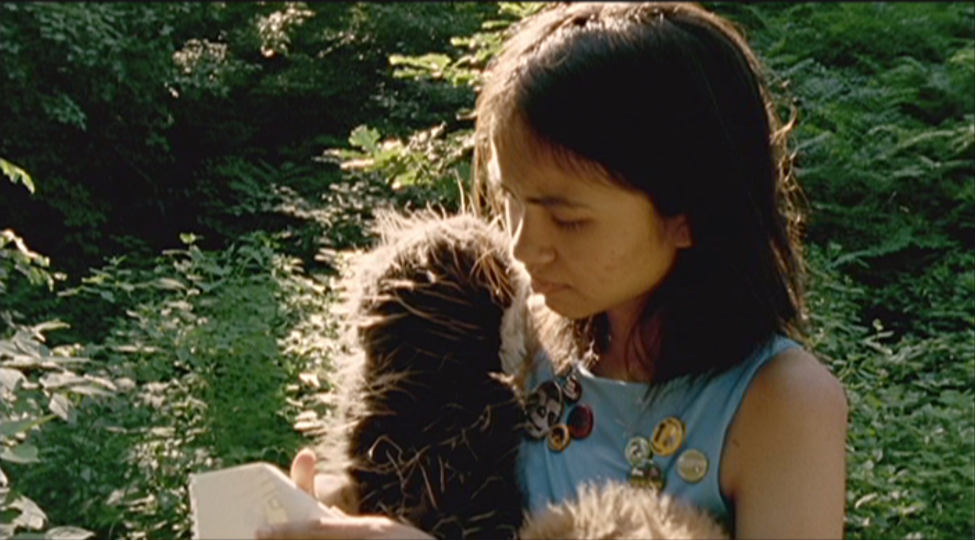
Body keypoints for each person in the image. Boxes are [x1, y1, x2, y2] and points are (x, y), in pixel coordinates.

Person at [256, 2, 849, 539]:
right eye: (510, 201)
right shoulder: (510, 339)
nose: (522, 247)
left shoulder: (780, 403)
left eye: (567, 221)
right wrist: (343, 506)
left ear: (689, 216)